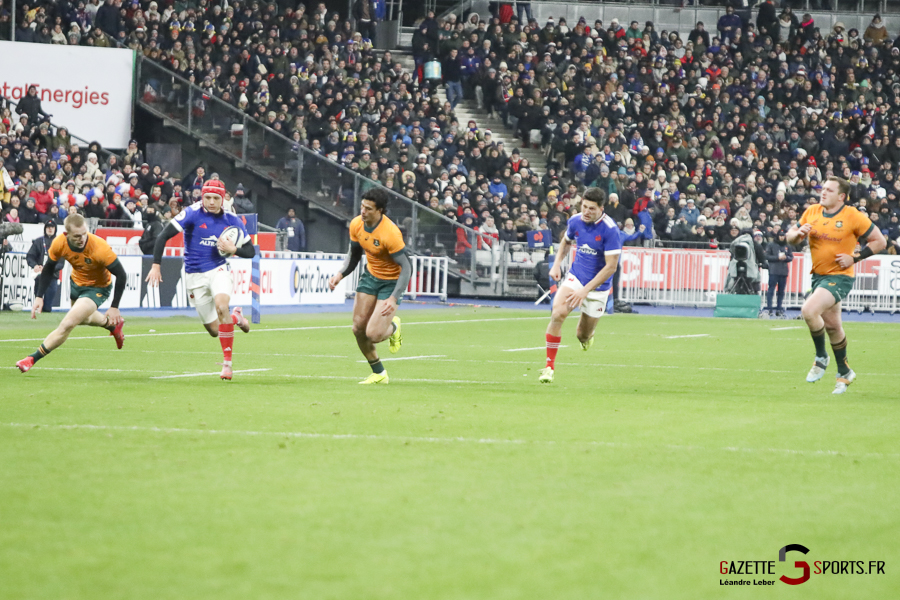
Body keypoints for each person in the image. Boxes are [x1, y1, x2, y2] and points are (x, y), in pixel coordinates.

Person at [145, 180, 256, 381]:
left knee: (222, 306)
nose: (211, 202)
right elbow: (162, 236)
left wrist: (234, 250)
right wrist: (156, 265)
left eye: (216, 198)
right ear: (201, 197)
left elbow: (250, 251)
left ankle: (227, 364)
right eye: (207, 197)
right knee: (214, 330)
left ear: (223, 199)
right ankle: (236, 318)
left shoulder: (233, 220)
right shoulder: (191, 214)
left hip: (218, 269)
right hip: (194, 275)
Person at [786, 176, 886, 394]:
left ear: (842, 196)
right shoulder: (812, 211)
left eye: (829, 190)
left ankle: (821, 357)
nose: (823, 193)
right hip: (819, 276)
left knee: (809, 310)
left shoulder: (852, 216)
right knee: (832, 326)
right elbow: (790, 235)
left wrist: (855, 258)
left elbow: (880, 241)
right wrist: (797, 235)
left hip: (840, 276)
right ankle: (845, 372)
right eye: (823, 189)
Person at [17, 214, 127, 373]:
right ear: (66, 234)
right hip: (76, 283)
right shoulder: (59, 243)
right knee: (84, 319)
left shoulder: (100, 247)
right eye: (77, 236)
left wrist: (115, 306)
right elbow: (48, 268)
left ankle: (32, 358)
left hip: (98, 288)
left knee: (68, 323)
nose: (82, 238)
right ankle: (112, 325)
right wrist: (39, 296)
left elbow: (122, 275)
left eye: (84, 234)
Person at [328, 188, 412, 384]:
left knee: (373, 334)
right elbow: (355, 255)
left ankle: (393, 326)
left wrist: (393, 297)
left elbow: (407, 267)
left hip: (392, 282)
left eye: (368, 209)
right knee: (358, 328)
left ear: (380, 210)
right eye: (362, 207)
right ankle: (379, 373)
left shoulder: (390, 233)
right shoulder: (357, 224)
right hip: (371, 276)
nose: (363, 212)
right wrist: (340, 274)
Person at [540, 188, 622, 383]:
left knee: (582, 336)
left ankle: (588, 336)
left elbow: (611, 267)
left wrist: (585, 291)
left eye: (591, 209)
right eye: (584, 207)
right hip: (576, 277)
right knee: (558, 313)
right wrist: (557, 264)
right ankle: (549, 367)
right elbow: (566, 242)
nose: (586, 212)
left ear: (601, 208)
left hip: (597, 289)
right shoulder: (575, 220)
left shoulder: (610, 230)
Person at [25, 221, 64, 312]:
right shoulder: (39, 241)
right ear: (45, 229)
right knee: (39, 301)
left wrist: (48, 269)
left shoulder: (59, 243)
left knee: (47, 306)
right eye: (48, 227)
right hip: (40, 276)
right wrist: (34, 265)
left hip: (52, 276)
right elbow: (30, 256)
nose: (50, 229)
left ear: (55, 229)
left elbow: (61, 263)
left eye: (52, 227)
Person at [764, 229, 792, 317]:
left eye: (783, 236)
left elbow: (791, 257)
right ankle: (769, 308)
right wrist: (777, 257)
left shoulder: (787, 245)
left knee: (781, 291)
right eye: (780, 235)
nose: (782, 237)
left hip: (783, 271)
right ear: (777, 236)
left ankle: (779, 308)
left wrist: (786, 258)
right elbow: (767, 256)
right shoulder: (771, 245)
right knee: (771, 290)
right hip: (773, 270)